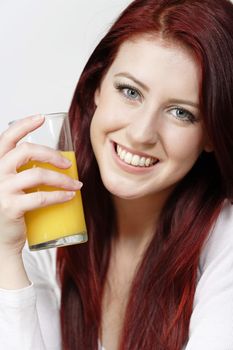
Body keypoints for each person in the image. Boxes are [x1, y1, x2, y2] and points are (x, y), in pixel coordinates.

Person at [0, 0, 233, 349]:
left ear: (212, 133)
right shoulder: (44, 220)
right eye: (130, 91)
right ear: (96, 87)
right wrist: (6, 253)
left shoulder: (225, 241)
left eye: (181, 113)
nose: (141, 133)